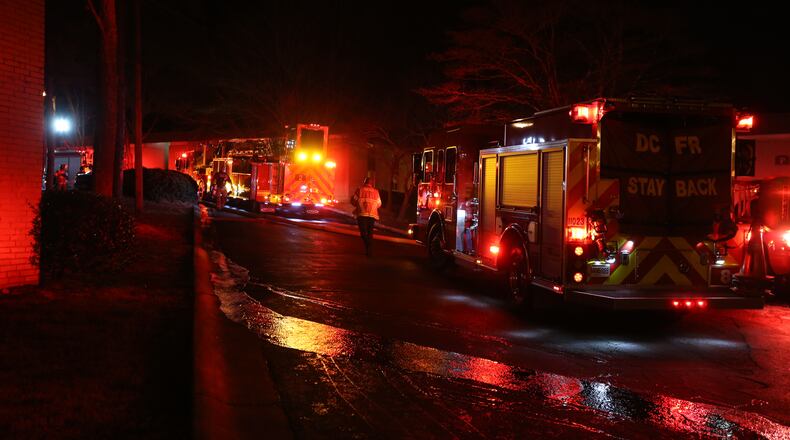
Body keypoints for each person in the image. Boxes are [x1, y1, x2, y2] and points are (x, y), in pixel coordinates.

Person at [351, 177, 382, 257]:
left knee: (363, 233)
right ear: (371, 183)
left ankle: (368, 245)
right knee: (370, 233)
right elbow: (379, 204)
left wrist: (358, 206)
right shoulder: (376, 192)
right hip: (372, 215)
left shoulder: (360, 190)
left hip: (362, 214)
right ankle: (369, 251)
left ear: (364, 182)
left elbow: (353, 201)